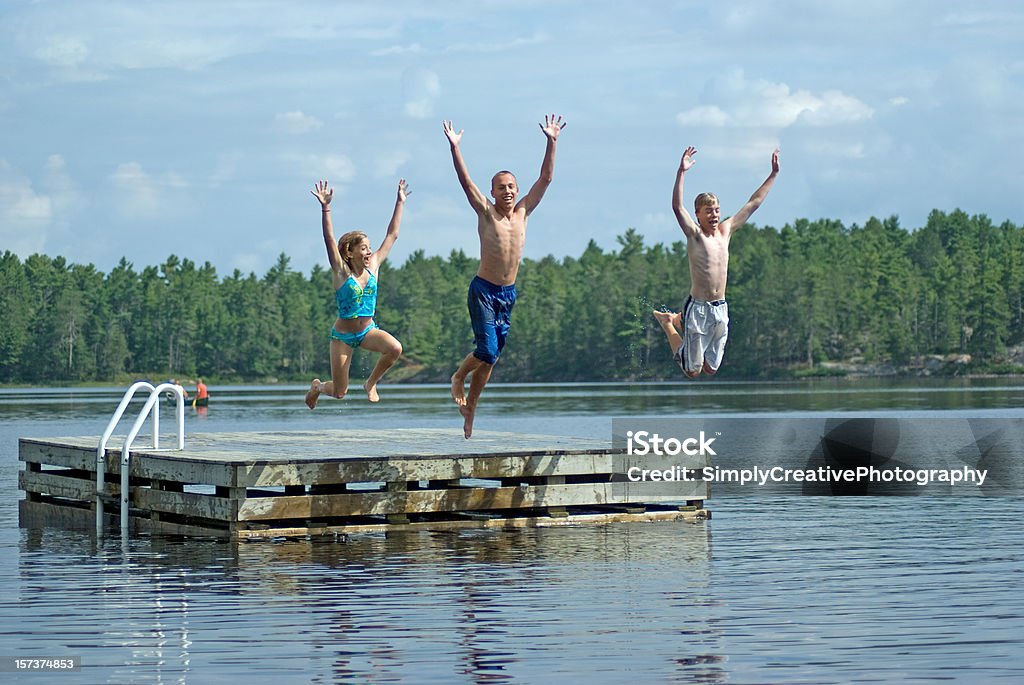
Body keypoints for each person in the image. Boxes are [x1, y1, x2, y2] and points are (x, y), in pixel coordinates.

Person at [443, 114, 566, 438]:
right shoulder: (486, 212)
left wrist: (551, 141)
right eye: (501, 187)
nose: (508, 191)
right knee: (486, 351)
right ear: (493, 192)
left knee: (491, 358)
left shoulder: (523, 212)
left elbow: (547, 179)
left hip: (507, 294)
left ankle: (471, 408)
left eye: (511, 186)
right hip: (483, 290)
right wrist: (456, 148)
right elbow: (465, 182)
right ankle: (458, 377)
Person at [653, 145, 780, 377]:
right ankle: (669, 323)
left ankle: (680, 322)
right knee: (692, 372)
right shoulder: (694, 234)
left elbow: (754, 203)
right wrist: (681, 172)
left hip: (720, 307)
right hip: (698, 308)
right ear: (698, 214)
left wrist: (772, 175)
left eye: (717, 210)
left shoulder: (726, 231)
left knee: (710, 369)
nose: (714, 215)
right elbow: (676, 207)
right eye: (708, 211)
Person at [305, 178, 408, 408]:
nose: (369, 252)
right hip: (342, 337)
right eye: (363, 248)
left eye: (369, 248)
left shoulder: (374, 267)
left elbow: (392, 235)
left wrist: (399, 202)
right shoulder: (342, 273)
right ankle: (318, 387)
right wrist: (326, 208)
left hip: (367, 331)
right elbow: (329, 239)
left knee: (395, 348)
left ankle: (371, 383)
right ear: (349, 253)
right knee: (340, 392)